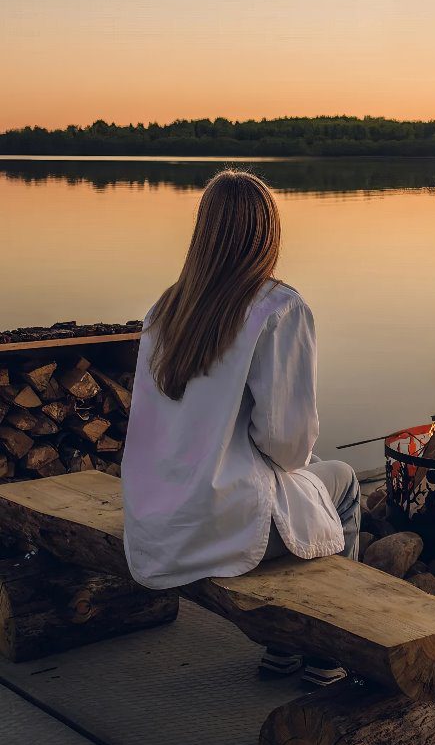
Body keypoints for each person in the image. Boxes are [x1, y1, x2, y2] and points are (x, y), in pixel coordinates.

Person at [122, 169, 360, 685]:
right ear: (266, 235)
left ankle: (281, 651)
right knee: (342, 483)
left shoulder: (166, 308)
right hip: (221, 526)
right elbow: (288, 443)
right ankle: (329, 654)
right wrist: (288, 464)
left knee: (306, 477)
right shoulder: (277, 308)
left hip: (161, 522)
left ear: (203, 233)